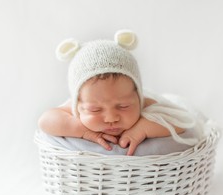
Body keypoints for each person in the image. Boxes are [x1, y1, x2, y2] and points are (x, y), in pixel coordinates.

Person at [38, 30, 198, 156]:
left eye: (123, 106)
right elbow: (45, 121)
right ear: (77, 105)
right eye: (95, 109)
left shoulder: (145, 103)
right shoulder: (74, 109)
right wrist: (83, 130)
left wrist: (142, 128)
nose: (111, 118)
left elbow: (182, 120)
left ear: (138, 97)